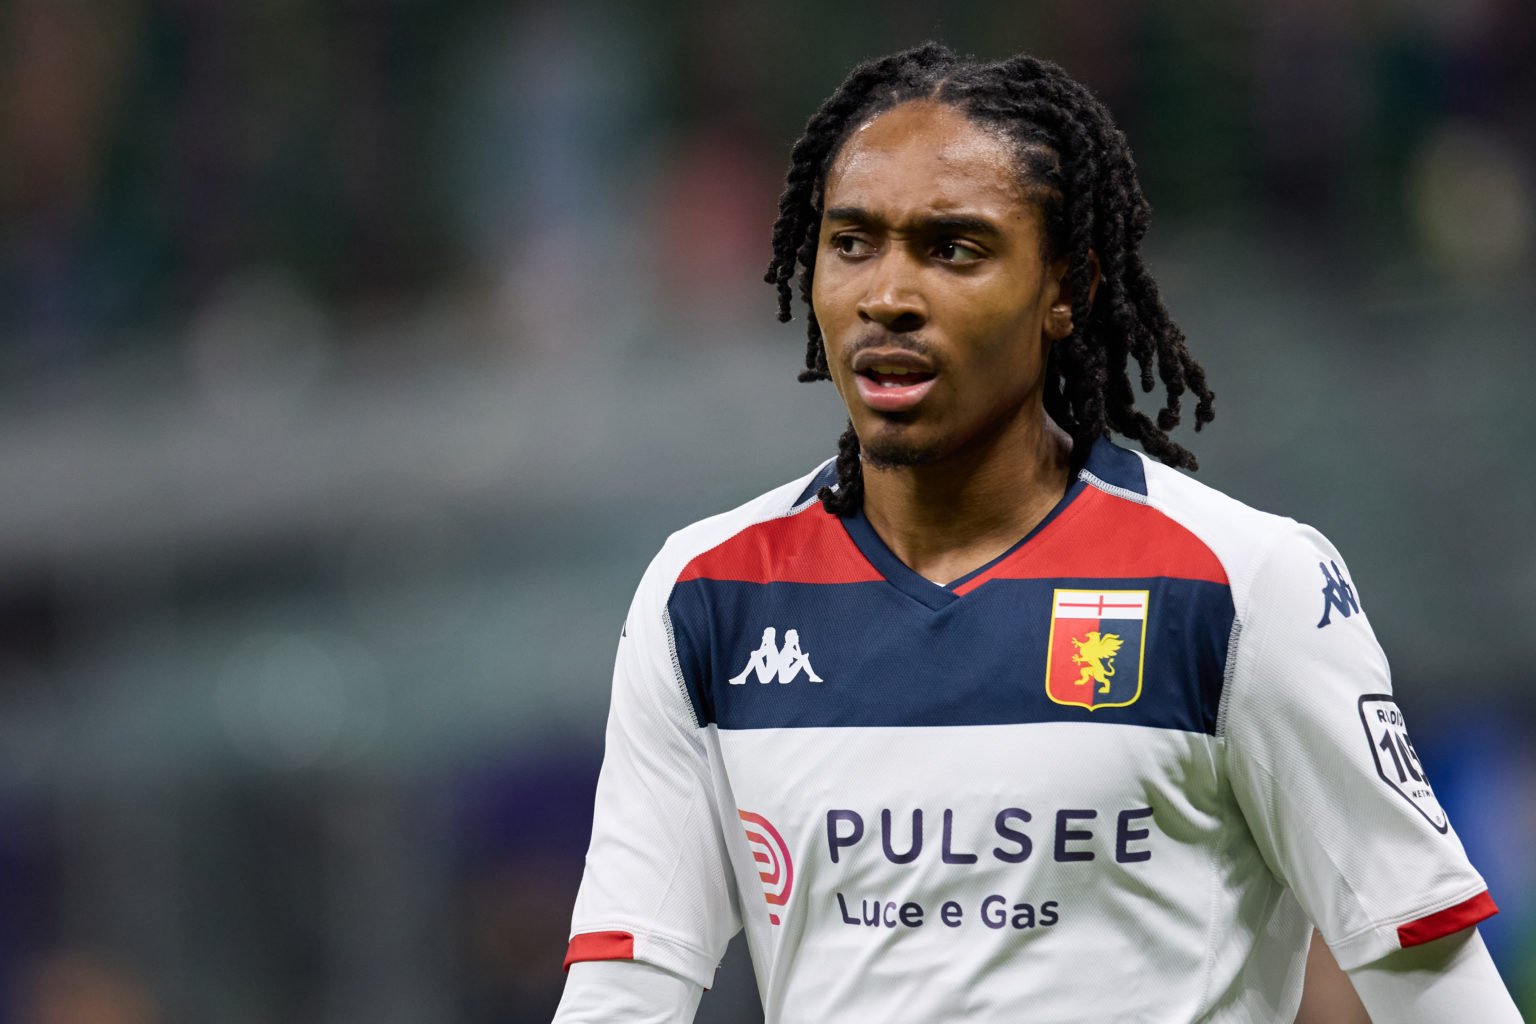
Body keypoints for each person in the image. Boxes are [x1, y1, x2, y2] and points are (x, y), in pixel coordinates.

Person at [551, 44, 1521, 1022]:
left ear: (1068, 286)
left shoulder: (1242, 584)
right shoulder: (709, 592)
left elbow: (1434, 987)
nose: (887, 293)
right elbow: (622, 995)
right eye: (852, 242)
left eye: (953, 248)